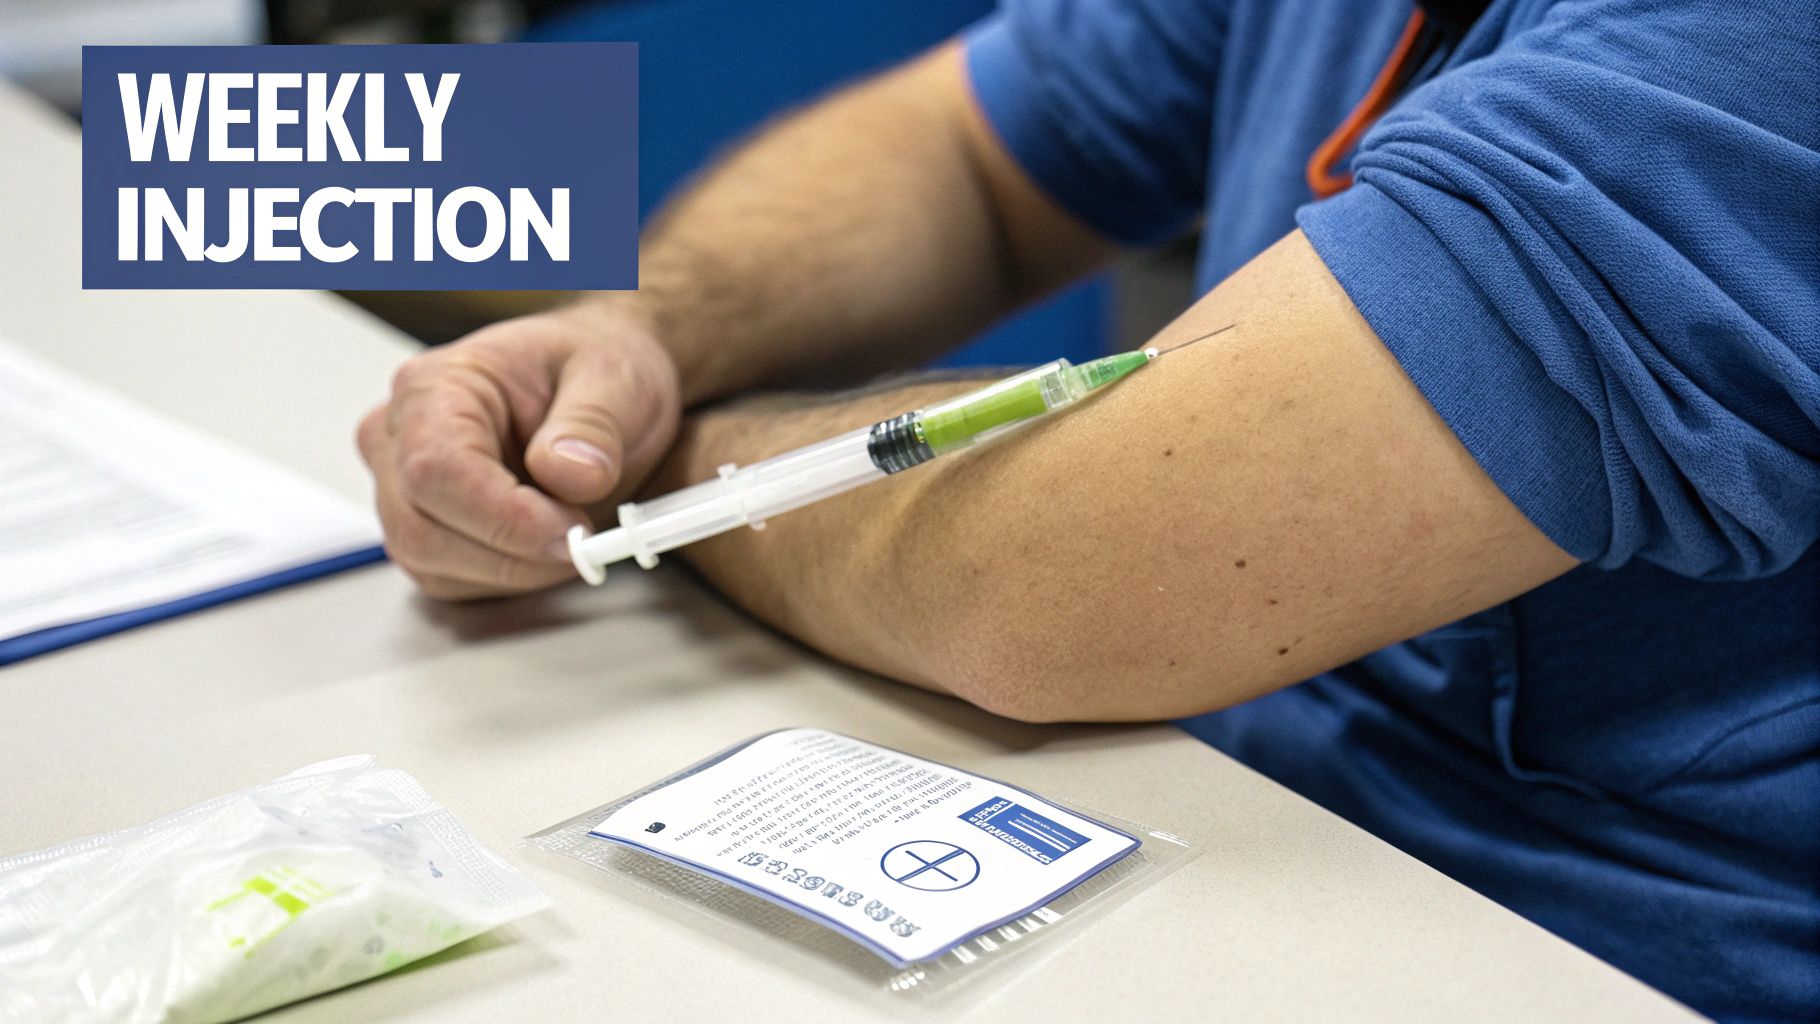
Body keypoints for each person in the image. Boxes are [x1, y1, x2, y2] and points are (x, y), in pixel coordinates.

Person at [355, 1, 1820, 1017]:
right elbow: (972, 152)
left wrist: (650, 467)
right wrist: (642, 340)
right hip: (1216, 810)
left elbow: (1044, 583)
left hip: (1589, 948)